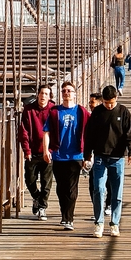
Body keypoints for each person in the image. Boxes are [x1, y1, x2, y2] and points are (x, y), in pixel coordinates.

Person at [83, 85, 131, 238]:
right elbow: (89, 135)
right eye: (106, 103)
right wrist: (87, 155)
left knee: (116, 192)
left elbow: (130, 133)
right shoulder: (97, 113)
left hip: (117, 157)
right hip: (100, 156)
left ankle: (114, 223)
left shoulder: (123, 112)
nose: (109, 105)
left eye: (111, 103)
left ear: (116, 99)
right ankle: (99, 222)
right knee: (98, 189)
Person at [43, 82, 90, 230]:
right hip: (58, 155)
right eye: (64, 91)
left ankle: (69, 218)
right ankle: (64, 214)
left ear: (75, 94)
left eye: (69, 91)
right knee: (61, 188)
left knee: (71, 188)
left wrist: (89, 155)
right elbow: (46, 133)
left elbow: (90, 133)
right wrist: (46, 150)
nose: (66, 93)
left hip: (76, 155)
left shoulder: (82, 112)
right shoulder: (55, 112)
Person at [18, 85, 55, 220]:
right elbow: (24, 131)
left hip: (48, 152)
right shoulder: (28, 110)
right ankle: (37, 198)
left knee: (46, 182)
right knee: (29, 179)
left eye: (46, 94)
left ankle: (42, 207)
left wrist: (52, 149)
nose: (43, 96)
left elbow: (57, 131)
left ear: (50, 96)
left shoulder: (53, 110)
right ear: (37, 95)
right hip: (32, 151)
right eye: (41, 93)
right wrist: (26, 150)